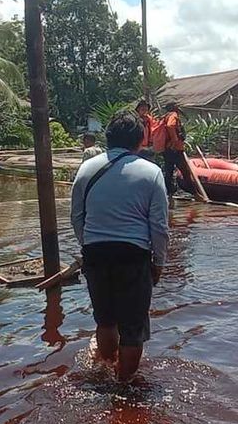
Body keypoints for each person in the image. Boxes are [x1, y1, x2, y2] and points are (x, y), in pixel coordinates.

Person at [71, 110, 169, 382]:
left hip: (95, 254)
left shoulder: (86, 169)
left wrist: (88, 244)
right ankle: (124, 385)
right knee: (133, 328)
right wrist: (158, 263)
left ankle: (105, 371)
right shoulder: (152, 173)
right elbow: (159, 227)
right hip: (133, 256)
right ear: (141, 140)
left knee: (105, 320)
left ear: (109, 138)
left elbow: (77, 217)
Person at [160, 102, 189, 196]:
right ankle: (192, 191)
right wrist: (175, 140)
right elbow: (170, 126)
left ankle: (169, 194)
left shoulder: (166, 116)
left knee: (169, 171)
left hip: (168, 149)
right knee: (185, 171)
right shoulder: (173, 115)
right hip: (175, 149)